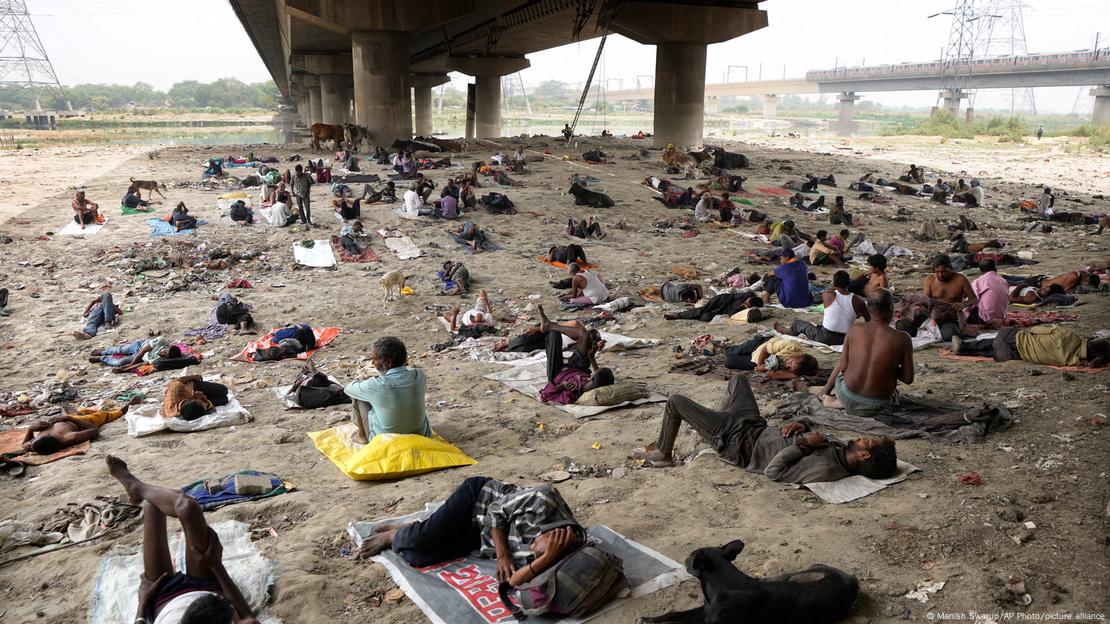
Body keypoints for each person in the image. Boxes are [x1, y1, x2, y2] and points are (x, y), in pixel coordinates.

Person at [631, 374, 897, 478]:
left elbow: (773, 471)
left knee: (675, 402)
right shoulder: (841, 450)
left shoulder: (827, 469)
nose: (863, 438)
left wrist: (803, 444)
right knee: (738, 380)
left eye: (868, 443)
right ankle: (714, 420)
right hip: (754, 425)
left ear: (864, 455)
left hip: (737, 441)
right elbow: (809, 437)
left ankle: (663, 453)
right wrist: (800, 424)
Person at [106, 456, 261, 624]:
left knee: (154, 506)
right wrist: (216, 565)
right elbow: (248, 617)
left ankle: (138, 488)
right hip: (208, 586)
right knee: (187, 507)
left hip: (162, 598)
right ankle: (139, 488)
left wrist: (143, 602)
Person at [355, 475, 584, 588]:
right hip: (478, 501)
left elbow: (514, 582)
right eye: (536, 545)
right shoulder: (545, 500)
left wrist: (544, 560)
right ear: (555, 531)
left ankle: (411, 529)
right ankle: (393, 534)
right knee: (421, 538)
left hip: (481, 536)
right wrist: (503, 555)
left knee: (417, 557)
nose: (530, 549)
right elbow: (495, 511)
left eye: (535, 553)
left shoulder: (548, 554)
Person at [819, 289, 913, 417]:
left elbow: (843, 366)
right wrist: (887, 366)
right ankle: (842, 403)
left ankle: (831, 397)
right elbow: (908, 379)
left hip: (846, 396)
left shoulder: (854, 329)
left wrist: (825, 391)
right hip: (877, 405)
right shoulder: (903, 338)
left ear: (867, 308)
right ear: (891, 308)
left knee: (843, 362)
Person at [344, 337, 430, 445]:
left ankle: (362, 436)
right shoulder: (419, 375)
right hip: (421, 434)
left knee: (359, 395)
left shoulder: (376, 385)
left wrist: (363, 380)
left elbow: (348, 389)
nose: (372, 362)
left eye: (375, 359)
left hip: (387, 442)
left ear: (388, 362)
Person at [535, 305, 612, 405]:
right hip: (579, 368)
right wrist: (592, 358)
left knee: (554, 334)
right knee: (588, 335)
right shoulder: (592, 381)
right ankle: (549, 325)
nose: (592, 373)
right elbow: (598, 378)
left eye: (594, 374)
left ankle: (549, 326)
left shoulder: (572, 392)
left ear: (592, 379)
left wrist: (561, 386)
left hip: (557, 374)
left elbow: (545, 395)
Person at [776, 271, 868, 346]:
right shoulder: (858, 300)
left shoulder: (827, 295)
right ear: (848, 283)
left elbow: (836, 306)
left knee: (797, 323)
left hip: (825, 337)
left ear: (834, 283)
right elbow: (869, 320)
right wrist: (855, 315)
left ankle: (787, 331)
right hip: (845, 339)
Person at [21, 399, 139, 455]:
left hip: (65, 420)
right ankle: (123, 410)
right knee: (102, 415)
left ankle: (75, 413)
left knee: (80, 412)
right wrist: (69, 419)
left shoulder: (34, 445)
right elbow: (94, 430)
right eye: (32, 440)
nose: (30, 441)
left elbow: (24, 445)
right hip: (78, 422)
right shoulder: (69, 437)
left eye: (32, 440)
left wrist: (30, 429)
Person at [952, 326, 1108, 368]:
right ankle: (970, 351)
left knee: (1011, 335)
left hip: (1010, 340)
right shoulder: (1074, 361)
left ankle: (965, 346)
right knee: (996, 351)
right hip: (1010, 356)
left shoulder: (1067, 335)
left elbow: (1034, 331)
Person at [921, 254, 977, 339]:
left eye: (943, 271)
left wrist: (964, 304)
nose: (940, 275)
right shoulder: (930, 279)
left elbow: (974, 298)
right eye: (937, 272)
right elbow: (925, 301)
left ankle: (933, 331)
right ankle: (932, 329)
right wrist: (920, 307)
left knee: (952, 333)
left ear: (950, 268)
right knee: (903, 324)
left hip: (950, 317)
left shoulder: (961, 279)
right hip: (931, 315)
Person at [723, 335, 819, 376]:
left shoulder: (796, 369)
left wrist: (790, 374)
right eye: (791, 362)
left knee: (729, 361)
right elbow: (765, 350)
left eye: (790, 368)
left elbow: (771, 375)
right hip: (761, 346)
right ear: (799, 356)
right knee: (731, 351)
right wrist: (760, 366)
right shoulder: (792, 346)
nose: (787, 365)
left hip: (759, 360)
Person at [162, 375, 230, 421]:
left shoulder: (175, 390)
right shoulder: (188, 410)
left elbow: (175, 381)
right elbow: (212, 409)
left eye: (202, 403)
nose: (204, 404)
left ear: (194, 400)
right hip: (194, 396)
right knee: (224, 399)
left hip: (192, 386)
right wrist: (204, 399)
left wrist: (193, 377)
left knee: (224, 390)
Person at [89, 337, 176, 373]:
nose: (162, 353)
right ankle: (104, 351)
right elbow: (143, 351)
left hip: (141, 358)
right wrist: (131, 364)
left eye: (165, 355)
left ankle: (102, 359)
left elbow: (142, 364)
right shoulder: (162, 341)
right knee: (121, 350)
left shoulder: (159, 359)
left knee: (120, 363)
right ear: (167, 347)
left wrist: (124, 369)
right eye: (165, 351)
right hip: (140, 346)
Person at [664, 291, 763, 322]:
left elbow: (730, 314)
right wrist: (720, 308)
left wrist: (742, 307)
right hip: (721, 300)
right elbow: (731, 297)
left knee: (704, 317)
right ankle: (678, 315)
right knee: (702, 309)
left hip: (720, 310)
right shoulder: (748, 295)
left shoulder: (745, 309)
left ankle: (681, 315)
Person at [968, 259, 1009, 326]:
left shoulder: (978, 281)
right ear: (995, 268)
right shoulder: (1003, 280)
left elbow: (971, 301)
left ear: (981, 270)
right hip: (1002, 316)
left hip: (984, 318)